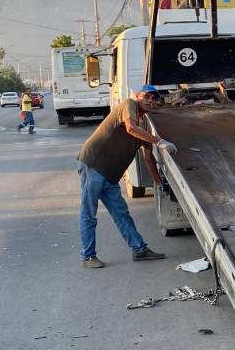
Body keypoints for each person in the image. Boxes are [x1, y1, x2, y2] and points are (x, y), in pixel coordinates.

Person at [76, 85, 177, 268]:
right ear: (138, 96)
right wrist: (159, 141)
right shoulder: (128, 104)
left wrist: (160, 183)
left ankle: (139, 250)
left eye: (154, 99)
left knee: (122, 214)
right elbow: (130, 127)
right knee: (89, 214)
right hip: (93, 165)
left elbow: (148, 159)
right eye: (147, 96)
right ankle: (88, 257)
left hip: (111, 176)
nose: (150, 101)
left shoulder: (145, 124)